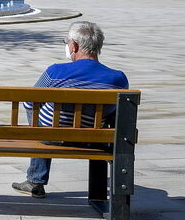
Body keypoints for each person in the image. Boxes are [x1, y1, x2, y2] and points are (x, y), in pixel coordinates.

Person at [11, 20, 129, 199]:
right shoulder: (118, 79)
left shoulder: (56, 72)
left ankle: (35, 180)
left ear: (74, 46)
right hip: (94, 140)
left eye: (66, 42)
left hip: (52, 138)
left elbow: (29, 102)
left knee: (35, 107)